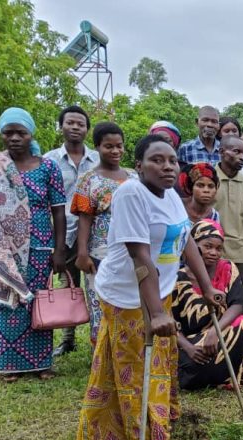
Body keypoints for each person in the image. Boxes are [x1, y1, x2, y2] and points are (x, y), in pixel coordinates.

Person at [76, 134, 224, 440]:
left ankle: (152, 419)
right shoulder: (130, 193)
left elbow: (185, 239)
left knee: (158, 361)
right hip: (128, 296)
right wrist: (156, 312)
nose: (168, 166)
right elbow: (141, 257)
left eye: (172, 160)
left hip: (161, 292)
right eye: (157, 160)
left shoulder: (171, 195)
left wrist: (206, 287)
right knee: (136, 369)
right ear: (139, 165)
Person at [0, 108, 67, 381]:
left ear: (31, 134)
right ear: (2, 134)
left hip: (40, 245)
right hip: (1, 248)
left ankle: (41, 363)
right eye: (8, 132)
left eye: (21, 132)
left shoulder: (48, 167)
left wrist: (60, 250)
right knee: (6, 306)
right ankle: (9, 365)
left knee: (38, 302)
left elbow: (59, 211)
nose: (14, 138)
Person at [71, 121, 138, 346]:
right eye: (109, 146)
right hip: (99, 253)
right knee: (100, 301)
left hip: (131, 250)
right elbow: (85, 217)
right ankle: (102, 355)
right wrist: (82, 253)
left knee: (128, 300)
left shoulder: (133, 176)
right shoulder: (89, 179)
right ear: (98, 147)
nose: (115, 151)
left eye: (119, 146)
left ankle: (126, 350)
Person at [172, 219, 243, 390]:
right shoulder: (177, 278)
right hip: (191, 343)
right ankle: (202, 375)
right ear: (193, 246)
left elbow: (238, 304)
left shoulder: (227, 268)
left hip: (220, 336)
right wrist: (188, 348)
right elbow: (170, 322)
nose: (214, 252)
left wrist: (214, 331)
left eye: (219, 248)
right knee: (191, 361)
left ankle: (224, 375)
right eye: (207, 246)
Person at [45, 105, 98, 357]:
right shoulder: (49, 160)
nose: (75, 127)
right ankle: (67, 338)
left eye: (81, 124)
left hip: (94, 232)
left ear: (87, 129)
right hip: (62, 231)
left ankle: (98, 337)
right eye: (70, 123)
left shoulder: (98, 159)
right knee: (67, 284)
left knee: (95, 284)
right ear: (61, 126)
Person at [215, 135, 243, 302]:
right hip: (214, 250)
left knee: (241, 300)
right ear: (222, 152)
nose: (241, 157)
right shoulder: (208, 179)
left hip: (242, 251)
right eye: (236, 152)